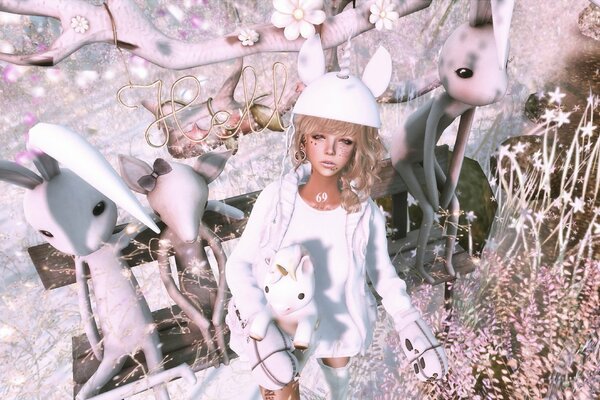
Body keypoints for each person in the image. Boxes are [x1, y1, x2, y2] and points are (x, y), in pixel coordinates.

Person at [225, 35, 447, 400]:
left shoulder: (363, 213)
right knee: (280, 386)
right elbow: (239, 264)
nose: (329, 150)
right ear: (304, 140)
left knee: (338, 387)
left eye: (344, 141)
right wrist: (253, 316)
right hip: (281, 323)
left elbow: (383, 275)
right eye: (319, 136)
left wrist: (408, 320)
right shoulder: (277, 200)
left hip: (338, 323)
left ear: (358, 147)